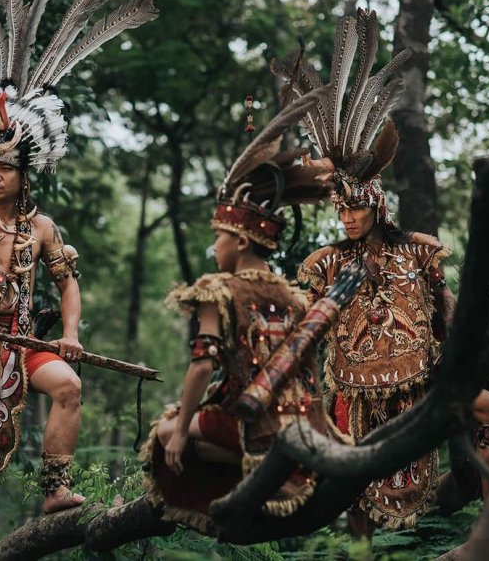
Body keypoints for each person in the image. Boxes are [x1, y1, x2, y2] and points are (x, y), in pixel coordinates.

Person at [0, 0, 157, 552]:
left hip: (24, 342)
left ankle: (56, 488)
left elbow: (67, 284)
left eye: (6, 168)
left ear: (26, 173)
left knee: (69, 384)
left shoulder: (42, 227)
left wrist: (70, 333)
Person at [272, 9, 489, 535]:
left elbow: (447, 310)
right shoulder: (327, 262)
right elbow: (306, 327)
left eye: (356, 207)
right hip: (355, 398)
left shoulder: (420, 252)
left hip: (425, 385)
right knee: (357, 495)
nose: (348, 216)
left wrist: (480, 358)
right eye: (341, 209)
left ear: (376, 204)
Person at [142, 89, 361, 533]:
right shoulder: (296, 296)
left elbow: (202, 366)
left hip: (258, 427)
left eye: (219, 236)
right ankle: (267, 471)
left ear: (241, 241)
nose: (214, 246)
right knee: (195, 433)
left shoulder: (218, 289)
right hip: (308, 427)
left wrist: (183, 428)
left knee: (165, 434)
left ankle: (249, 471)